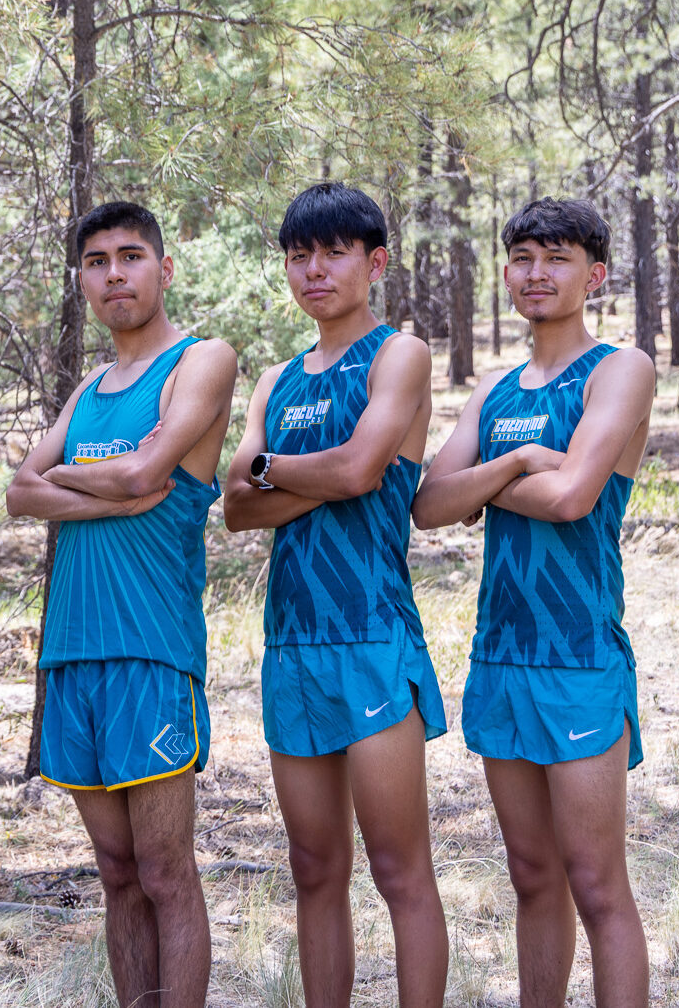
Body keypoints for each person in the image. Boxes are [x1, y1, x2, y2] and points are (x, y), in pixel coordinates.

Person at [411, 197, 652, 1008]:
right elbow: (426, 503)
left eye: (557, 257)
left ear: (597, 273)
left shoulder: (621, 368)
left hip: (581, 653)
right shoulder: (496, 388)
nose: (537, 273)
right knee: (532, 875)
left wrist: (492, 482)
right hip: (501, 653)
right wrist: (522, 460)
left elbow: (575, 497)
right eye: (522, 257)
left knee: (597, 880)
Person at [4, 201, 236, 1008]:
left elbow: (149, 476)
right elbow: (18, 493)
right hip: (73, 650)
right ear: (83, 282)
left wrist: (81, 480)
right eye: (98, 262)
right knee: (115, 872)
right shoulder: (90, 390)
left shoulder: (200, 360)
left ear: (164, 270)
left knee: (167, 869)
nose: (115, 275)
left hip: (152, 647)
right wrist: (105, 489)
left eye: (131, 256)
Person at [223, 183, 447, 1008]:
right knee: (314, 867)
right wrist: (322, 475)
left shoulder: (399, 355)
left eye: (333, 252)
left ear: (374, 262)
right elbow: (234, 508)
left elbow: (357, 471)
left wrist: (276, 470)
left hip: (371, 634)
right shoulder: (275, 379)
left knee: (398, 868)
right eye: (297, 254)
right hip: (291, 644)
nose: (314, 270)